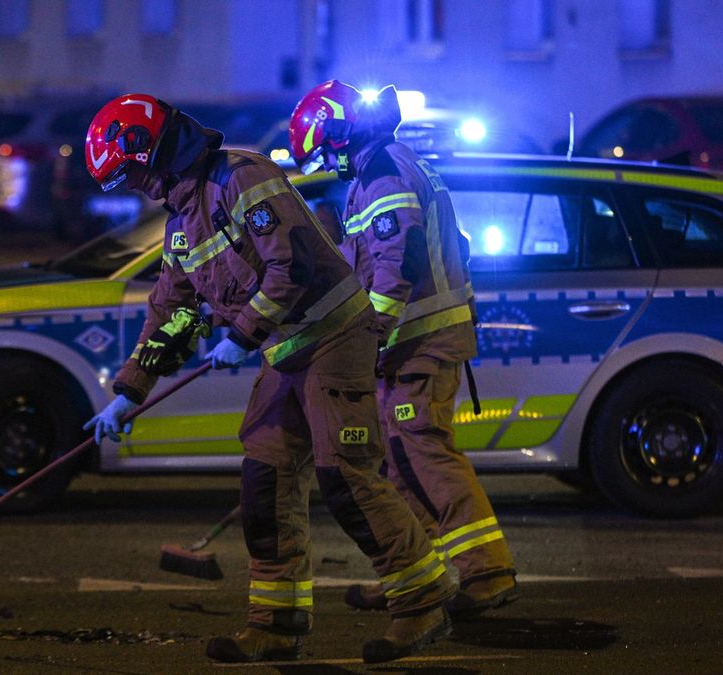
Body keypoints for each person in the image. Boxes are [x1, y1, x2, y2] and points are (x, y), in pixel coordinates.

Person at [83, 93, 457, 664]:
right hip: (286, 351)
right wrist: (127, 393)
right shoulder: (183, 222)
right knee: (266, 479)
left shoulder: (241, 175)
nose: (137, 186)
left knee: (346, 477)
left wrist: (240, 335)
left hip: (333, 337)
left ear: (150, 149)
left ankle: (422, 600)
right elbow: (172, 312)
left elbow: (290, 265)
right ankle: (275, 623)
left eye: (133, 173)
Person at [290, 80, 518, 617]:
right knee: (399, 457)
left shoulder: (382, 172)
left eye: (326, 151)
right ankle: (421, 573)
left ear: (341, 135)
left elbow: (398, 263)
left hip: (420, 341)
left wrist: (368, 333)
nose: (329, 163)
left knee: (425, 451)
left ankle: (487, 569)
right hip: (409, 343)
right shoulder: (386, 166)